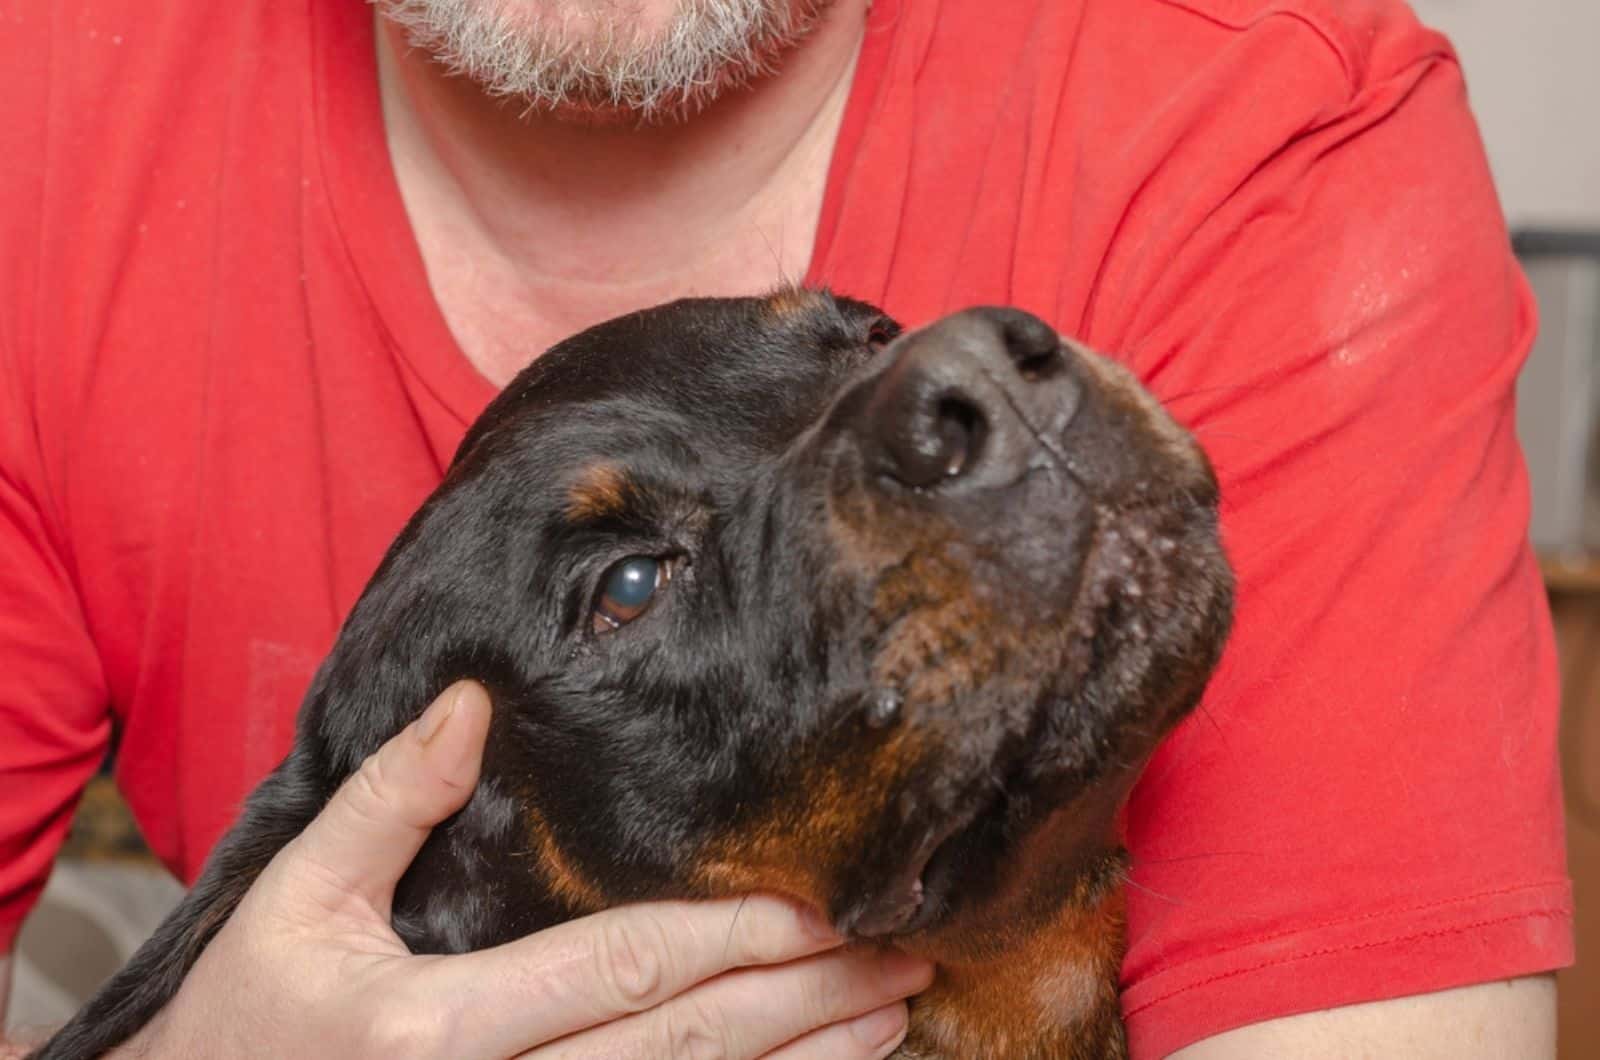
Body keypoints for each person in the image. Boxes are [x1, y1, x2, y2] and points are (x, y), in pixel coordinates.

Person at [0, 0, 1572, 1056]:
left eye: (863, 347)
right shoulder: (49, 129)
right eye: (621, 588)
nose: (958, 377)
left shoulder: (1260, 123)